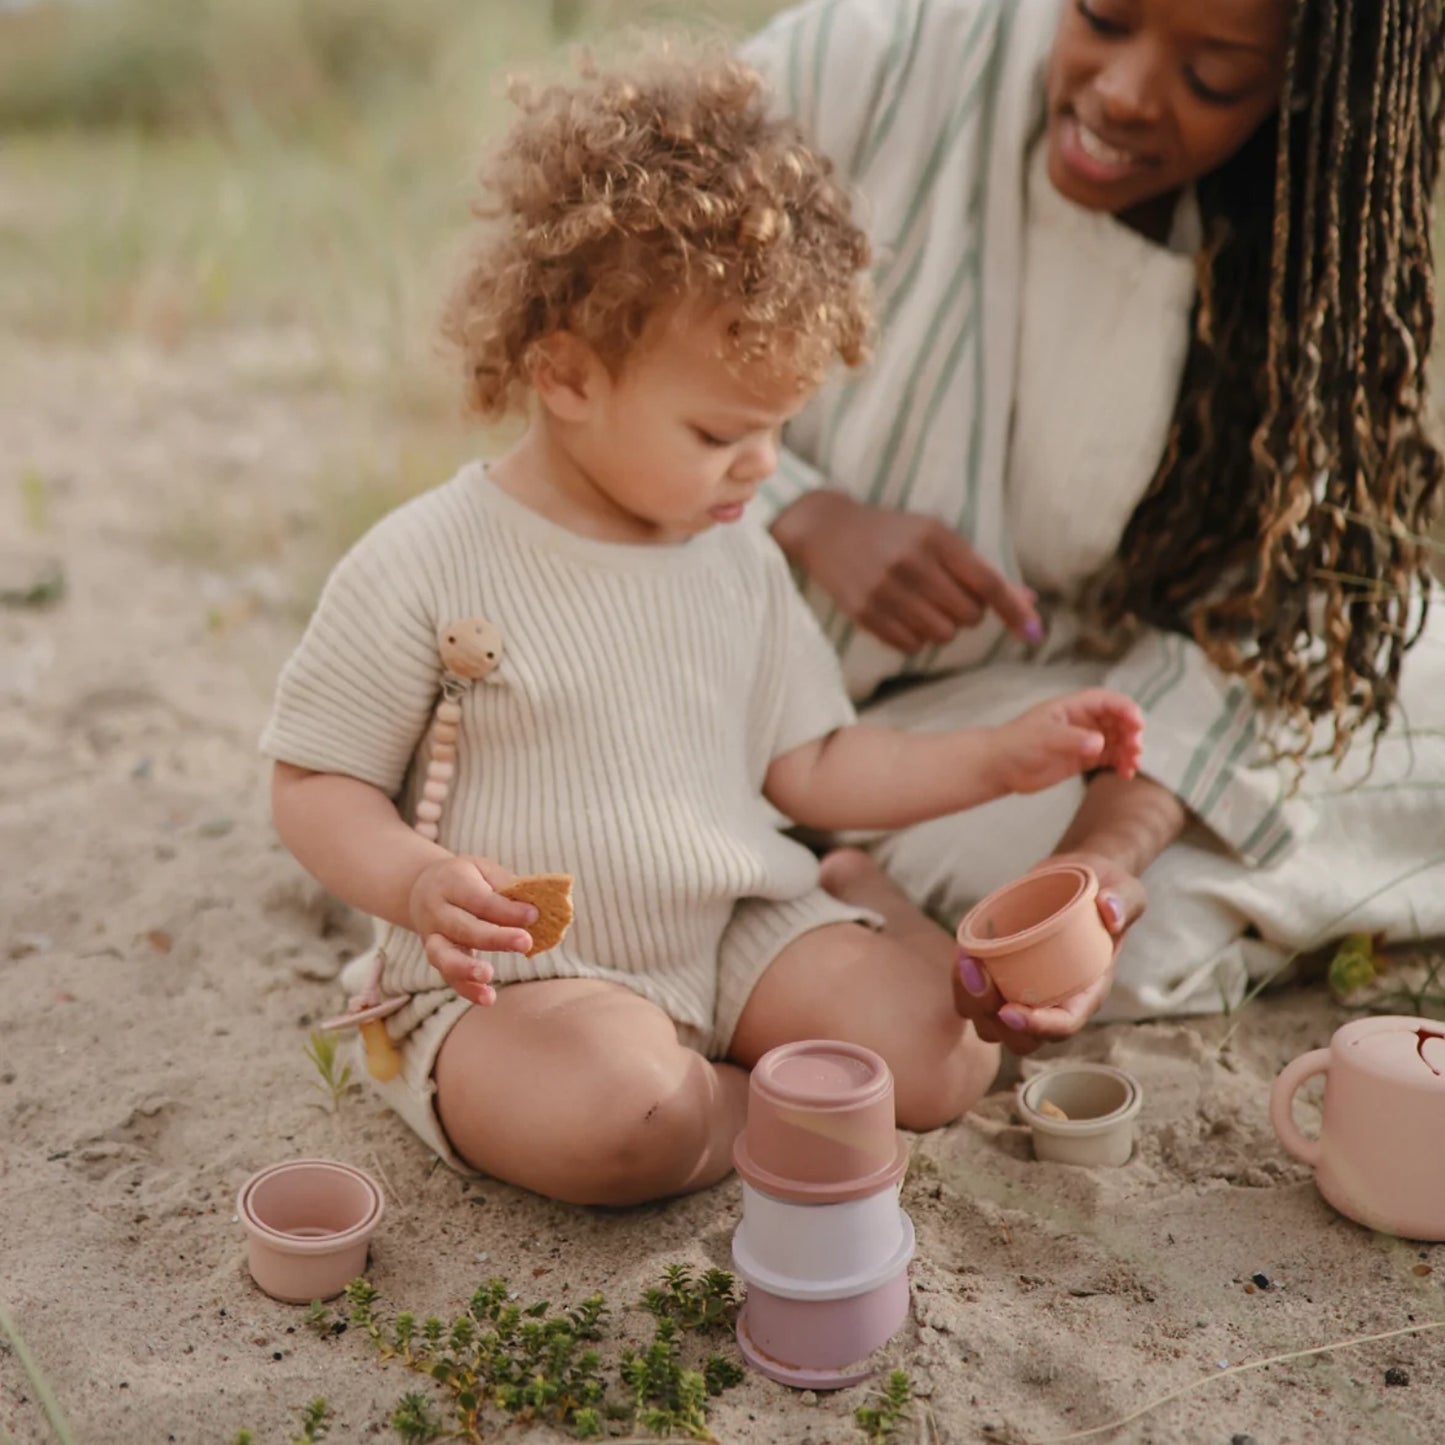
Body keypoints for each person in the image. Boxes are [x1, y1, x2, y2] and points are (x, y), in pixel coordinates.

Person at [260, 49, 1146, 1205]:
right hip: (520, 975)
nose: (764, 468)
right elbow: (314, 783)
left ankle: (785, 1044)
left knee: (945, 1059)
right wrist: (416, 880)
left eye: (780, 428)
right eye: (721, 432)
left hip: (730, 926)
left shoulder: (734, 557)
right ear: (566, 375)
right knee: (617, 1122)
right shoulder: (427, 558)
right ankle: (743, 1101)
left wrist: (1000, 757)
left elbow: (816, 761)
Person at [739, 0, 1445, 1054]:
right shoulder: (847, 67)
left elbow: (1282, 595)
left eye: (1210, 78)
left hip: (1031, 711)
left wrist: (1095, 863)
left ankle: (915, 898)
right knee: (1154, 913)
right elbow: (582, 367)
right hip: (779, 705)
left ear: (1305, 90)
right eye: (1102, 16)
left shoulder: (1323, 246)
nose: (1122, 91)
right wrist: (799, 506)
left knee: (1397, 653)